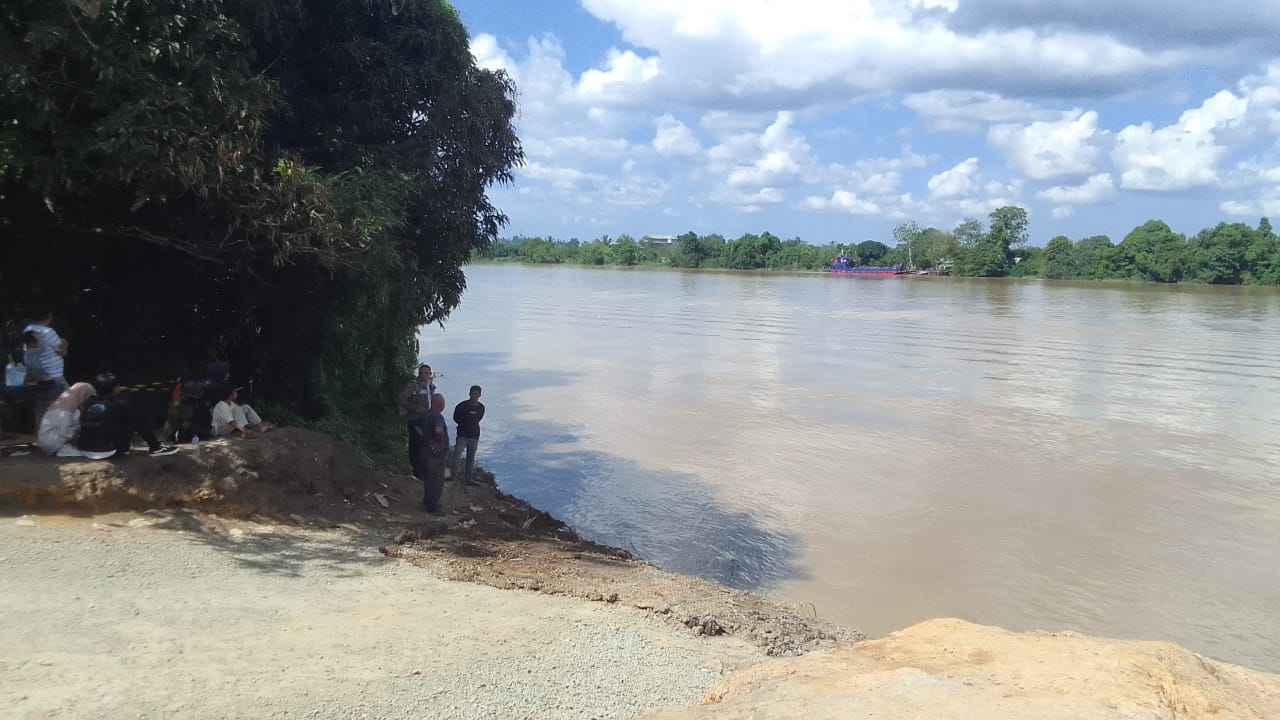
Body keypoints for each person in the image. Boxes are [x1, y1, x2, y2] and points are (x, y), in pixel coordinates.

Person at [76, 373, 178, 459]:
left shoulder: (89, 402)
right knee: (138, 416)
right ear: (115, 388)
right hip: (107, 452)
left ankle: (130, 445)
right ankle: (155, 447)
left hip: (85, 450)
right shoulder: (120, 404)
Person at [22, 309, 69, 428]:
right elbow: (62, 352)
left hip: (34, 377)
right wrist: (65, 344)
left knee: (41, 411)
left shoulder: (27, 330)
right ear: (49, 316)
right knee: (69, 407)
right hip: (53, 376)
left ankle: (42, 440)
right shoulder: (48, 332)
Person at [410, 393, 449, 515]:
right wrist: (439, 442)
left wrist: (425, 438)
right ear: (441, 405)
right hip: (434, 456)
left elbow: (414, 424)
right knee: (436, 481)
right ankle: (432, 507)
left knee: (429, 479)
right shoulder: (438, 417)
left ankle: (427, 501)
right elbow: (438, 430)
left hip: (425, 453)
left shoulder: (426, 416)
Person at [36, 381, 95, 456]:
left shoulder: (66, 406)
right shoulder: (64, 410)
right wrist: (82, 431)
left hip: (50, 441)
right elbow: (65, 432)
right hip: (50, 443)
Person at [397, 364, 435, 476]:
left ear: (430, 374)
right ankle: (416, 471)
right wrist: (415, 408)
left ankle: (422, 470)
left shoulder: (431, 386)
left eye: (426, 373)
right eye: (421, 373)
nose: (423, 375)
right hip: (414, 420)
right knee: (415, 445)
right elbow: (401, 399)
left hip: (427, 420)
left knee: (424, 445)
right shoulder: (413, 385)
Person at [451, 385, 485, 484]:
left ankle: (468, 479)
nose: (474, 396)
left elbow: (479, 418)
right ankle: (453, 476)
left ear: (479, 395)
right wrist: (463, 424)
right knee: (457, 454)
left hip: (474, 436)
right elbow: (456, 418)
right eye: (473, 394)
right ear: (469, 394)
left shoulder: (481, 407)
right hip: (462, 435)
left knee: (471, 458)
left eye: (477, 394)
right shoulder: (462, 406)